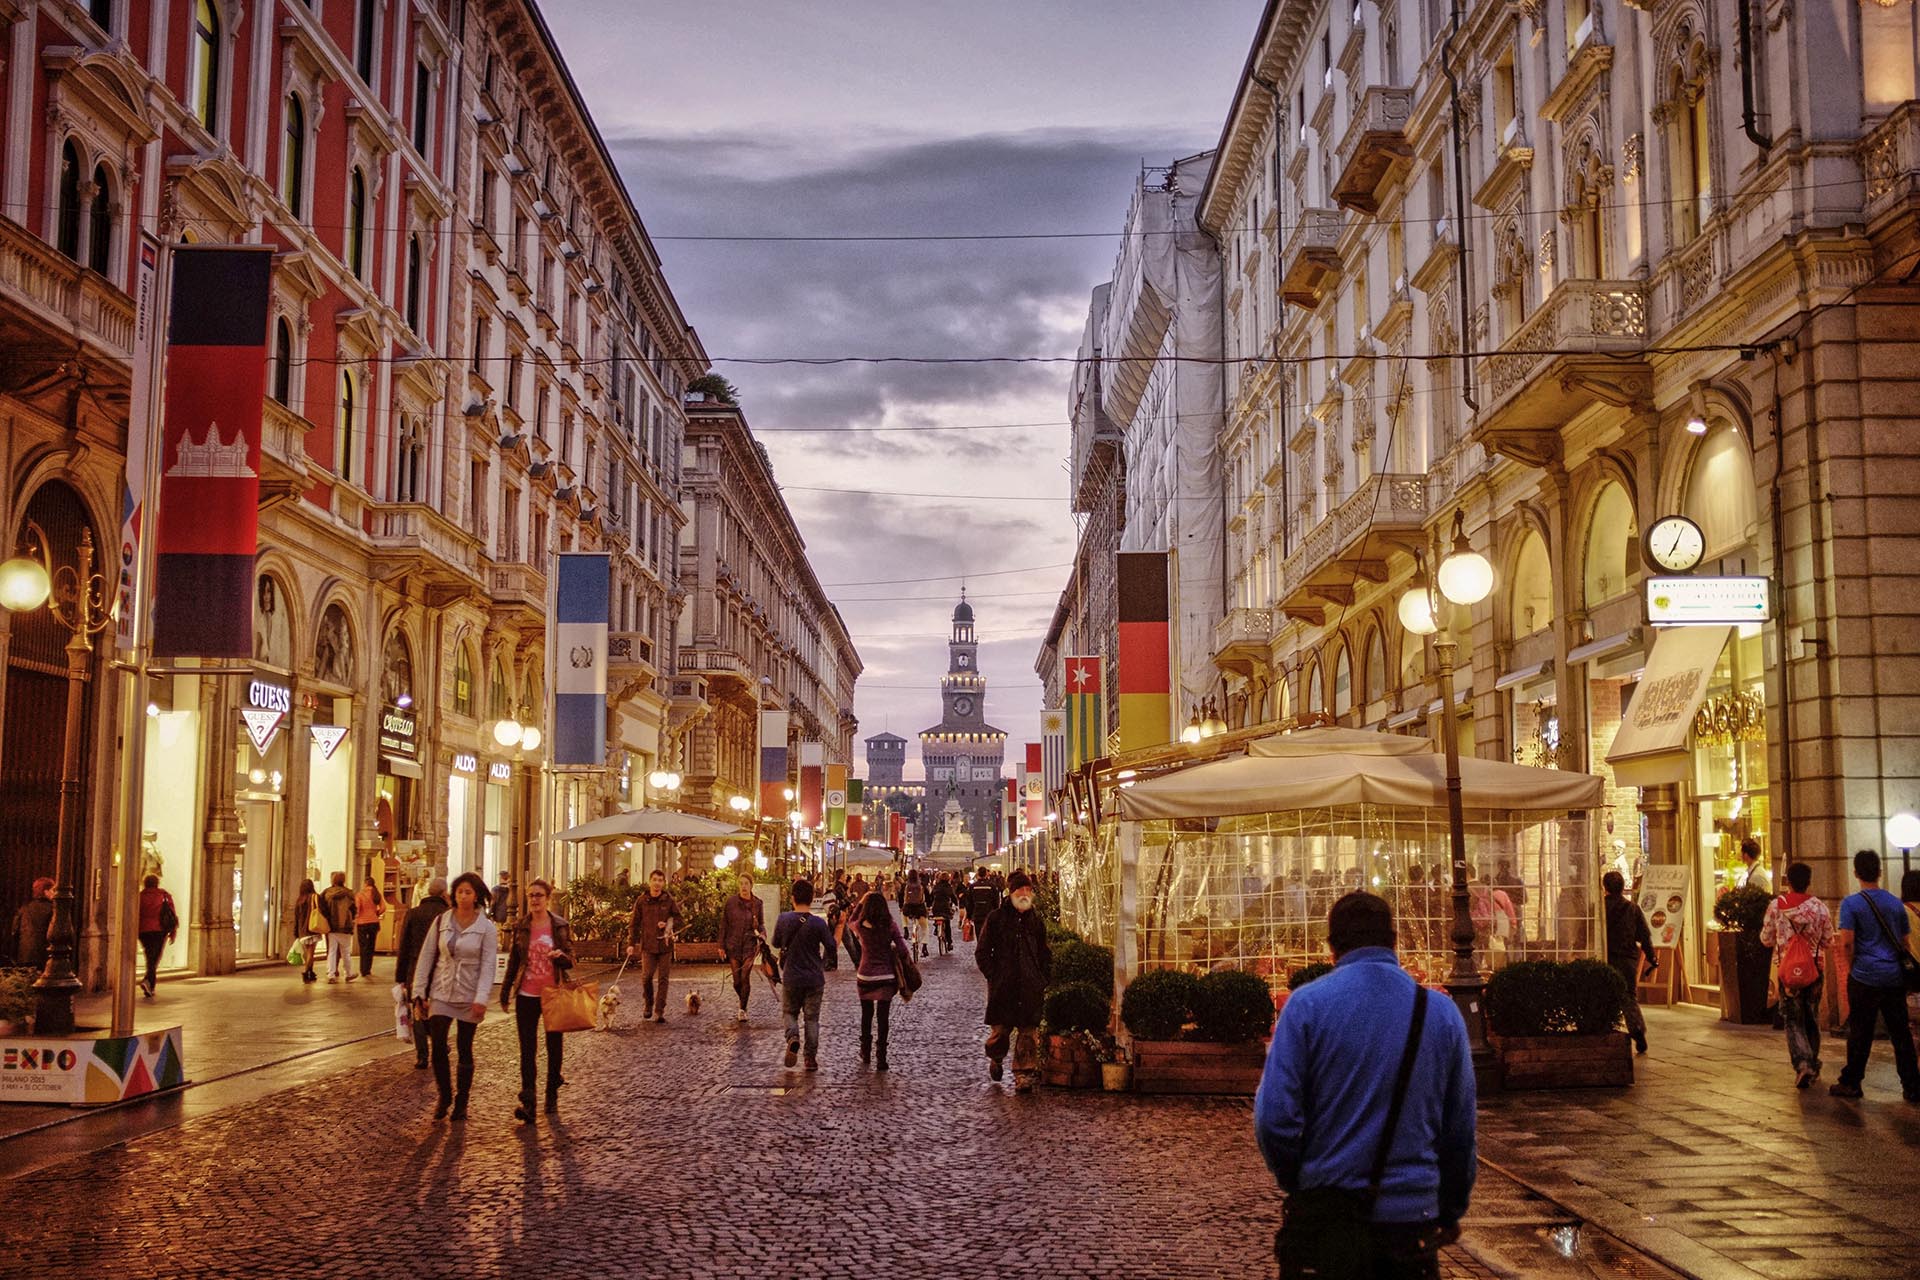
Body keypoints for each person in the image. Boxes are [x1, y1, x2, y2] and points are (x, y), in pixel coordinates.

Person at [1255, 891, 1476, 1279]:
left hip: (1328, 1227)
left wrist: (1303, 1181)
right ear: (1393, 940)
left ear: (1332, 947)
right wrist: (1449, 1206)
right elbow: (1459, 1130)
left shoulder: (1305, 1007)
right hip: (1411, 1227)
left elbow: (1274, 1120)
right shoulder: (1440, 1014)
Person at [1830, 849, 1920, 1101]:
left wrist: (1851, 968)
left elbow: (1847, 942)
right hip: (1892, 977)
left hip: (1864, 975)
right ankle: (1912, 1086)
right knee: (1900, 1033)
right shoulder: (1894, 903)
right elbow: (1904, 942)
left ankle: (1852, 1081)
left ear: (1856, 873)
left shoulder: (1851, 903)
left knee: (1860, 1032)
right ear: (1880, 872)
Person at [410, 871, 498, 1121]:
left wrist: (482, 998)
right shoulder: (442, 921)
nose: (462, 896)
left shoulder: (486, 928)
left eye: (467, 892)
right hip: (441, 989)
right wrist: (419, 991)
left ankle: (462, 1101)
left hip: (469, 993)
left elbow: (488, 965)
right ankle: (445, 1094)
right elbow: (427, 956)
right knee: (437, 1044)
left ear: (476, 895)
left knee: (464, 1048)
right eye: (459, 891)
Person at [501, 877, 574, 1122]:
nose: (534, 899)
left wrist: (560, 956)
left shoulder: (560, 925)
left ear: (548, 898)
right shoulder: (522, 926)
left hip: (553, 992)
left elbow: (572, 959)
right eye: (531, 895)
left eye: (539, 895)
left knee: (554, 1045)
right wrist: (505, 990)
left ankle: (551, 1091)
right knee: (527, 1049)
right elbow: (514, 961)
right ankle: (529, 1101)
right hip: (526, 994)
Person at [1759, 861, 1834, 1088]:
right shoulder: (1820, 908)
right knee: (1811, 1016)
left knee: (1793, 1019)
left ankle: (1803, 1063)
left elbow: (1766, 938)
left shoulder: (1776, 906)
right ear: (1809, 882)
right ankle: (1813, 1062)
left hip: (1787, 971)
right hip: (1814, 970)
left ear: (1788, 882)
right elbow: (1828, 940)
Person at [976, 869, 1050, 1092]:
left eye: (1028, 889)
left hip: (1029, 985)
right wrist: (993, 974)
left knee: (1028, 1033)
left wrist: (1043, 978)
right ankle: (996, 1058)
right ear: (1011, 893)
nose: (1025, 894)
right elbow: (982, 951)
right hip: (1003, 986)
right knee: (1000, 1031)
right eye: (1021, 890)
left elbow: (1044, 952)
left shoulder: (1036, 921)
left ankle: (1024, 1073)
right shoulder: (996, 919)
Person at [772, 879, 834, 1072]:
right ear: (812, 899)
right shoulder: (818, 922)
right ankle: (810, 1059)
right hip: (814, 978)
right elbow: (831, 946)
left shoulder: (783, 919)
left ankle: (792, 1037)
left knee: (789, 1013)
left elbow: (775, 943)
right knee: (812, 1019)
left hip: (792, 976)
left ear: (792, 898)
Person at [394, 877, 450, 1069]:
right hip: (440, 970)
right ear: (444, 894)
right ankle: (439, 1046)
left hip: (414, 969)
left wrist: (400, 976)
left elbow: (404, 946)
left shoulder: (413, 913)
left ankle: (422, 1055)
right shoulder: (446, 914)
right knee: (438, 1009)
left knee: (417, 1009)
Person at [853, 888, 908, 1071]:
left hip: (865, 975)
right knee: (883, 1017)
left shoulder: (860, 925)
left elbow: (850, 921)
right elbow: (903, 950)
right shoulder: (890, 925)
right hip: (886, 977)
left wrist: (861, 900)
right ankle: (881, 1057)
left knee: (866, 1015)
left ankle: (865, 1050)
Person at [1602, 870, 1655, 1055]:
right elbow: (1644, 935)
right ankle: (1637, 1030)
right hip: (1627, 959)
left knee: (1605, 996)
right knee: (1629, 997)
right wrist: (1651, 956)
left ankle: (1604, 1029)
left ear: (1605, 887)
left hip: (1606, 958)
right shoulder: (1633, 909)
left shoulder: (1600, 909)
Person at [626, 868, 682, 1022]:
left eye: (660, 880)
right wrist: (631, 943)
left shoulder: (668, 900)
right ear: (650, 882)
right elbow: (634, 923)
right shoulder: (642, 901)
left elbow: (679, 919)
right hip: (648, 945)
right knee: (646, 977)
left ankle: (659, 1010)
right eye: (654, 880)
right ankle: (648, 1003)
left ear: (663, 883)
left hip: (664, 945)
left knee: (663, 978)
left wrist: (668, 924)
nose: (657, 883)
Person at [721, 872, 767, 1022]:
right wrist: (721, 945)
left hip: (749, 945)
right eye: (741, 883)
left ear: (751, 885)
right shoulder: (731, 902)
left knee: (745, 976)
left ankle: (742, 1008)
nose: (743, 886)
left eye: (746, 883)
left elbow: (761, 923)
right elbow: (724, 924)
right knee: (736, 981)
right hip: (733, 945)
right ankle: (743, 999)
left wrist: (762, 934)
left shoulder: (757, 903)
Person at [135, 874, 177, 997]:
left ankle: (149, 984)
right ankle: (148, 982)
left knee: (150, 955)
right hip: (159, 930)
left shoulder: (140, 897)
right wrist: (173, 931)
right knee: (154, 957)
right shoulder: (164, 895)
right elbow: (171, 914)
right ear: (157, 883)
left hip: (143, 930)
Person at [320, 871, 357, 983]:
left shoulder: (326, 893)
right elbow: (354, 909)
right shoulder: (349, 893)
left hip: (331, 926)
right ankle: (348, 973)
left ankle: (331, 974)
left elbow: (322, 908)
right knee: (345, 951)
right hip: (345, 926)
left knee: (332, 951)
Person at [11, 876, 54, 971]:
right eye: (52, 890)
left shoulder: (24, 908)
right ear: (46, 892)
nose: (54, 893)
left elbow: (15, 932)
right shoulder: (53, 909)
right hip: (44, 956)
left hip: (24, 955)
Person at [353, 876, 386, 979]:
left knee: (363, 946)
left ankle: (363, 969)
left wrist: (356, 917)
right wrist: (376, 913)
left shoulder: (360, 894)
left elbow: (357, 908)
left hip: (362, 923)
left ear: (365, 884)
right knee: (371, 946)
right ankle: (368, 969)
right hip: (374, 922)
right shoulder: (376, 894)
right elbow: (383, 907)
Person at [292, 877, 322, 983]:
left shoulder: (299, 900)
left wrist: (296, 932)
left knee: (308, 952)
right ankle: (307, 972)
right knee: (311, 952)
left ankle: (310, 972)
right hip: (313, 928)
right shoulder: (315, 897)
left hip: (302, 931)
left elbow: (296, 918)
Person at [965, 868, 999, 945]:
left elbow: (969, 903)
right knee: (989, 934)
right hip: (989, 914)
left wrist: (969, 916)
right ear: (986, 874)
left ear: (978, 874)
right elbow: (996, 901)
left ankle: (981, 949)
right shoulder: (992, 886)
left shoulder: (972, 886)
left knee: (979, 934)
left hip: (977, 914)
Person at [901, 869, 929, 958]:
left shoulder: (905, 885)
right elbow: (928, 896)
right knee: (925, 927)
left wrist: (902, 906)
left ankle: (905, 928)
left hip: (908, 908)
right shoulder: (922, 885)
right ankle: (924, 946)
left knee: (902, 914)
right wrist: (929, 905)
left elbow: (901, 896)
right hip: (920, 909)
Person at [928, 872, 955, 955]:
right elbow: (953, 897)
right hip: (945, 908)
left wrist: (929, 905)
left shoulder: (936, 886)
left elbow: (931, 897)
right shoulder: (948, 887)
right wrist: (957, 904)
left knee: (937, 917)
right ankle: (949, 942)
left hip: (936, 908)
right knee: (947, 924)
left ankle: (936, 927)